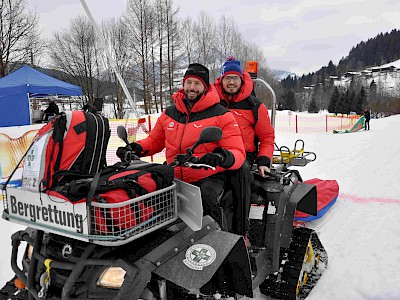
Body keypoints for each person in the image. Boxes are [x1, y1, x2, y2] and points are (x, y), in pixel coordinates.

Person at [117, 63, 246, 229]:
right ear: (183, 84)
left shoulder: (221, 115)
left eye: (197, 83)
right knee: (147, 193)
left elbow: (237, 151)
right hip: (174, 172)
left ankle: (221, 242)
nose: (192, 87)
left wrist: (220, 157)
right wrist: (135, 148)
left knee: (206, 199)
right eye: (189, 82)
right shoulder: (170, 113)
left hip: (206, 176)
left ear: (206, 87)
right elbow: (154, 141)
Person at [214, 56, 275, 237]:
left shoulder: (254, 106)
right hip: (216, 153)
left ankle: (241, 231)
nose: (231, 82)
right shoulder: (212, 103)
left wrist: (264, 160)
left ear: (241, 79)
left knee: (240, 178)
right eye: (227, 78)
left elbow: (266, 136)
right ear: (221, 80)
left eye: (235, 78)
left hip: (243, 155)